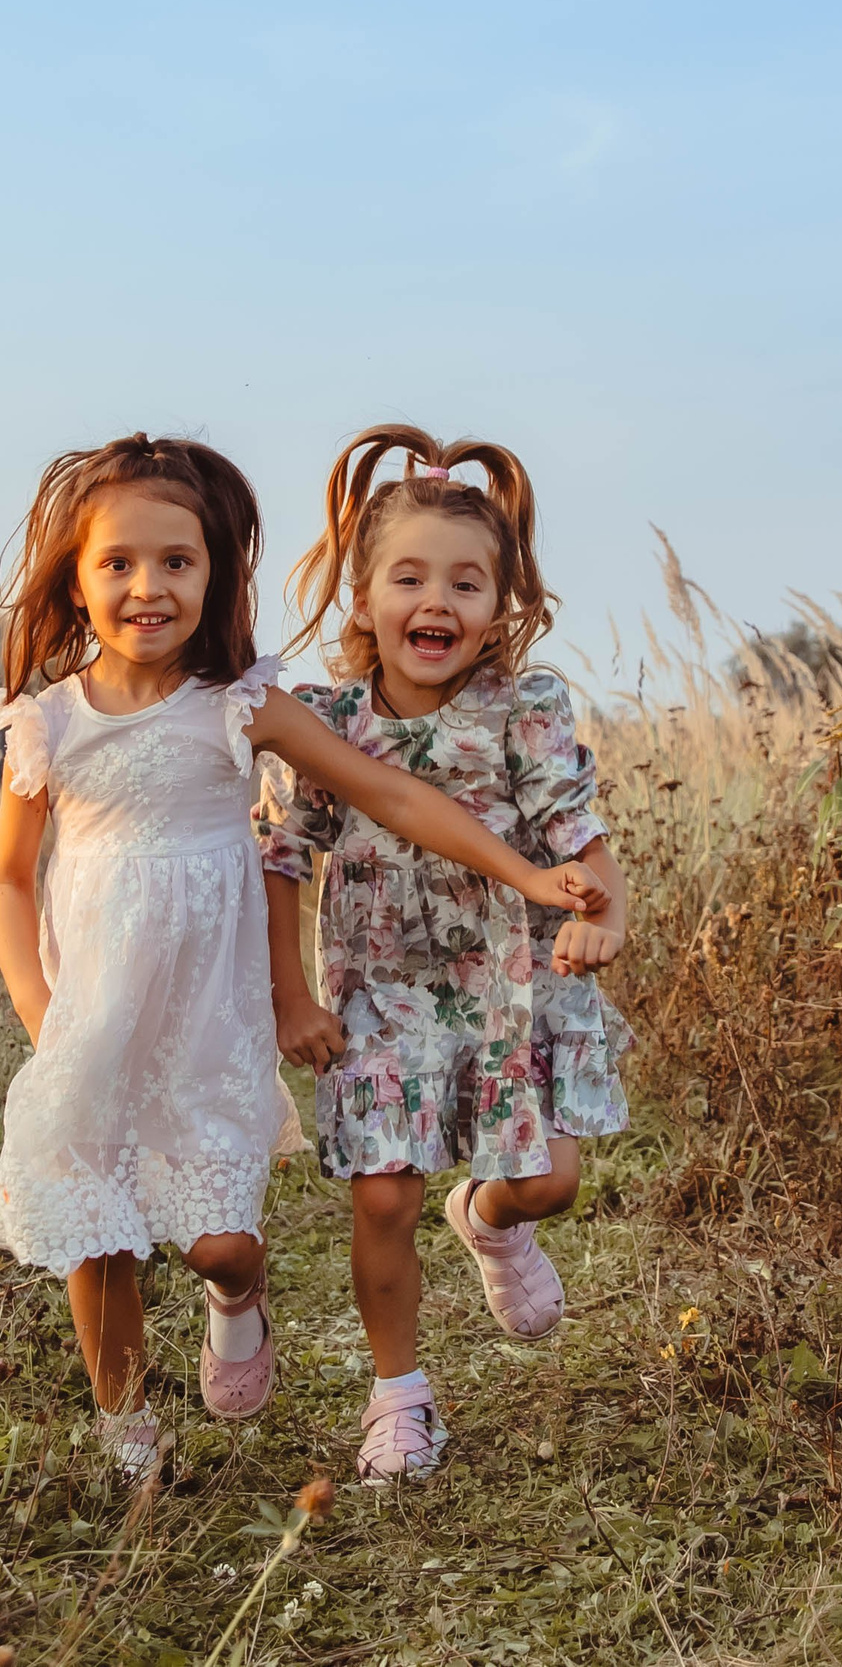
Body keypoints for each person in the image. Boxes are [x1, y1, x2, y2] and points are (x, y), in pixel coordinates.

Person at [0, 432, 605, 1483]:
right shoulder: (48, 724)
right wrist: (43, 1015)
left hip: (206, 1022)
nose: (148, 586)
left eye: (177, 561)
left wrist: (528, 875)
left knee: (215, 1242)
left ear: (215, 574)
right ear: (76, 580)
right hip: (88, 1012)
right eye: (118, 562)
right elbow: (6, 878)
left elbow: (393, 794)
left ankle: (238, 1289)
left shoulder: (241, 706)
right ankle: (128, 1435)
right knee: (99, 1229)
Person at [257, 425, 632, 1484]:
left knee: (548, 1184)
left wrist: (603, 917)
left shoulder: (524, 709)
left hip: (508, 991)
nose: (437, 601)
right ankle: (400, 1398)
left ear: (500, 605)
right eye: (410, 577)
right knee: (383, 1196)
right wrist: (291, 997)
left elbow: (583, 839)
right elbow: (280, 857)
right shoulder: (325, 723)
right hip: (379, 991)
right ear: (363, 596)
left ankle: (489, 1220)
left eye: (466, 583)